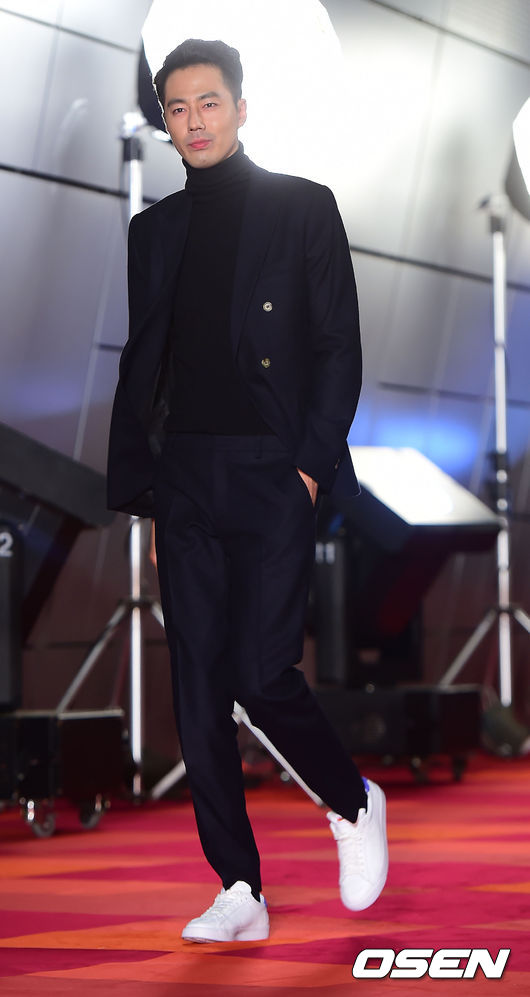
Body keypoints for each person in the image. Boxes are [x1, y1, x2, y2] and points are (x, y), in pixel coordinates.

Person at [107, 38, 388, 943]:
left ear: (240, 107)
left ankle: (353, 800)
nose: (194, 122)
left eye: (209, 103)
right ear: (164, 120)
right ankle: (239, 885)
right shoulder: (153, 232)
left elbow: (339, 346)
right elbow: (151, 370)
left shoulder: (303, 207)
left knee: (263, 672)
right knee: (197, 683)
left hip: (273, 468)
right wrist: (154, 493)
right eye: (177, 108)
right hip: (185, 476)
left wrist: (307, 465)